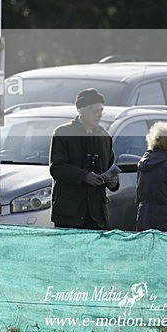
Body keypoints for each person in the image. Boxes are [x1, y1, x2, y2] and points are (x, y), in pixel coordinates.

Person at [49, 88, 120, 229]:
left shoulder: (104, 137)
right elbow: (56, 168)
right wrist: (84, 176)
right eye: (95, 111)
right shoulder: (63, 133)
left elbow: (109, 167)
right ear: (82, 111)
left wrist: (113, 182)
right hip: (70, 213)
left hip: (97, 214)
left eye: (101, 111)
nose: (99, 115)